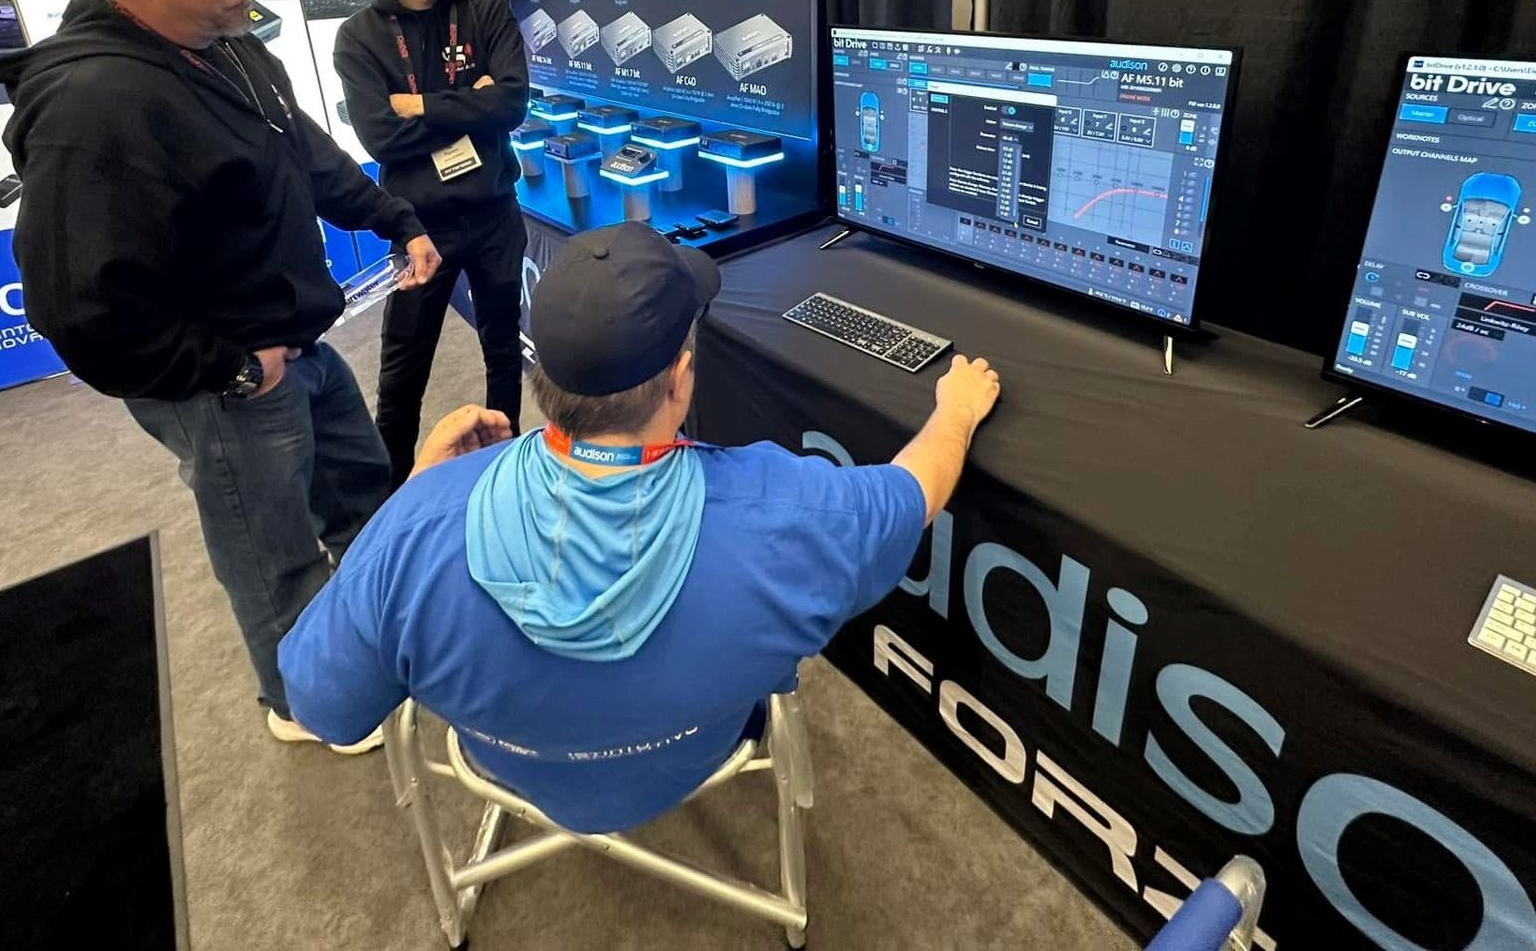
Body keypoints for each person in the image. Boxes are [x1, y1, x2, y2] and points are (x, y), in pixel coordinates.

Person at [279, 222, 1001, 829]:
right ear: (680, 379)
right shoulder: (787, 512)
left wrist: (414, 494)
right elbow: (915, 490)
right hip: (695, 751)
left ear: (544, 377)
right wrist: (957, 410)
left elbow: (325, 705)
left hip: (506, 760)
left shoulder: (418, 526)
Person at [0, 0, 443, 753]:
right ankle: (300, 701)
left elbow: (304, 155)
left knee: (360, 496)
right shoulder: (96, 104)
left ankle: (382, 631)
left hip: (297, 342)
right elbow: (77, 309)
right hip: (226, 380)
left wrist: (394, 219)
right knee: (270, 550)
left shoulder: (230, 49)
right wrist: (229, 368)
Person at [333, 0, 531, 488]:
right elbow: (382, 141)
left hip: (496, 212)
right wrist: (471, 103)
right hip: (421, 226)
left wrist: (418, 104)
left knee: (504, 350)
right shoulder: (360, 37)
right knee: (403, 372)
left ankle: (505, 469)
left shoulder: (486, 12)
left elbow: (513, 104)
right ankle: (392, 493)